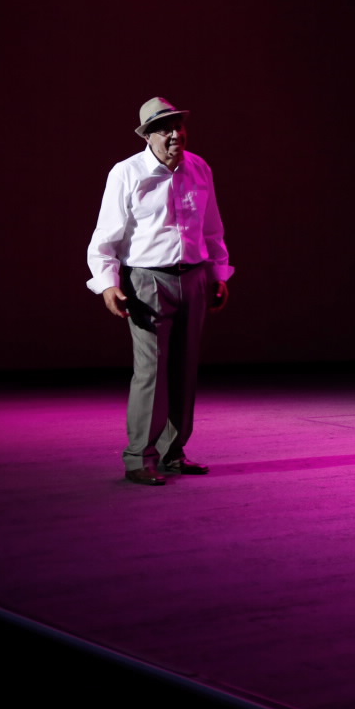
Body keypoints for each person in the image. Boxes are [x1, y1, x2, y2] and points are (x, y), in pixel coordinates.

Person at [86, 97, 233, 486]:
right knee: (151, 371)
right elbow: (106, 235)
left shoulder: (199, 168)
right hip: (148, 280)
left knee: (185, 366)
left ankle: (173, 452)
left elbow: (212, 228)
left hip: (194, 276)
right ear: (147, 136)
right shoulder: (127, 172)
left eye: (179, 126)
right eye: (165, 129)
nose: (175, 135)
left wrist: (218, 274)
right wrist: (108, 285)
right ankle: (139, 457)